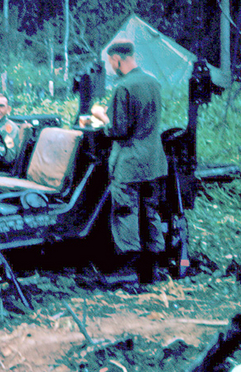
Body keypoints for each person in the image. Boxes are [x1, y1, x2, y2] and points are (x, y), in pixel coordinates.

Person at [90, 40, 168, 284]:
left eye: (111, 62)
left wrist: (101, 116)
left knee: (126, 213)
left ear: (116, 59)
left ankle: (127, 273)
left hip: (130, 163)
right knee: (150, 212)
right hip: (154, 161)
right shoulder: (153, 82)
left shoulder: (123, 87)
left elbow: (118, 130)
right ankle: (152, 270)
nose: (111, 67)